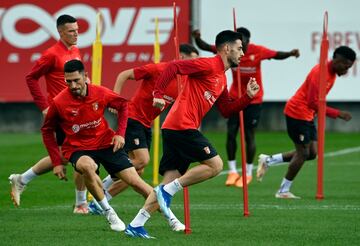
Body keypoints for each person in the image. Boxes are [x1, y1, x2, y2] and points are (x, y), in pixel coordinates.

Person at [124, 30, 260, 238]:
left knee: (168, 180)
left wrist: (247, 97)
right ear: (226, 48)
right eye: (240, 48)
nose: (243, 53)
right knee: (215, 165)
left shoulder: (222, 78)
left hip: (175, 128)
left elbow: (225, 110)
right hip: (181, 126)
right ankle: (167, 192)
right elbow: (174, 66)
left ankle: (136, 224)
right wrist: (158, 93)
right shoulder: (208, 64)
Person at [88, 44, 199, 232]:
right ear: (180, 56)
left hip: (146, 124)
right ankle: (102, 192)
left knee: (136, 171)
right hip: (132, 118)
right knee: (141, 160)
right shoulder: (159, 69)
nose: (194, 64)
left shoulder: (184, 82)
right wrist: (116, 100)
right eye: (192, 59)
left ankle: (99, 202)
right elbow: (123, 74)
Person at [41, 59, 154, 231]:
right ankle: (108, 212)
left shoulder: (99, 92)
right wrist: (56, 162)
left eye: (76, 80)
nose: (72, 85)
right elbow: (47, 130)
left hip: (105, 144)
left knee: (138, 178)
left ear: (85, 76)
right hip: (78, 148)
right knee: (87, 166)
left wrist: (120, 134)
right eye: (68, 81)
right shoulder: (59, 102)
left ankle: (172, 219)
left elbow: (123, 105)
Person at [192, 27, 300, 187]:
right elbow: (206, 46)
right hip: (235, 97)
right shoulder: (231, 49)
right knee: (231, 133)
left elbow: (277, 55)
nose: (242, 47)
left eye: (244, 43)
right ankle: (232, 171)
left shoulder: (258, 51)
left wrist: (291, 53)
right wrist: (197, 38)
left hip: (253, 100)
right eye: (240, 44)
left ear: (249, 40)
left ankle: (248, 173)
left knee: (249, 135)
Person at [8, 14, 88, 213]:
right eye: (71, 31)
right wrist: (44, 106)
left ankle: (22, 179)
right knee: (81, 153)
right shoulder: (51, 54)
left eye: (77, 30)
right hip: (62, 112)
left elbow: (82, 78)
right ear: (60, 32)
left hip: (78, 109)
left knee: (66, 155)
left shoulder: (76, 50)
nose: (76, 34)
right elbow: (31, 78)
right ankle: (81, 204)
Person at [256, 46, 356, 198]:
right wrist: (337, 114)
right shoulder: (320, 73)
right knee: (303, 153)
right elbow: (312, 102)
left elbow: (316, 103)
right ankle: (283, 191)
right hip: (296, 113)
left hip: (307, 116)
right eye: (346, 66)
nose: (346, 70)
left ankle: (268, 160)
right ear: (337, 60)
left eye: (349, 67)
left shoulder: (332, 74)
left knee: (312, 153)